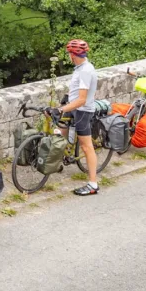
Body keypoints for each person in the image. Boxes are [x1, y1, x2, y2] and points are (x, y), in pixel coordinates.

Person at [57, 39, 99, 196]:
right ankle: (58, 160)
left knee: (86, 146)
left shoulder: (86, 71)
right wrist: (66, 98)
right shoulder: (79, 68)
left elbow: (82, 99)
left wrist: (61, 108)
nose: (68, 55)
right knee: (60, 131)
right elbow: (76, 89)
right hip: (73, 105)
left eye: (69, 53)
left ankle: (93, 184)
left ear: (73, 55)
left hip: (82, 110)